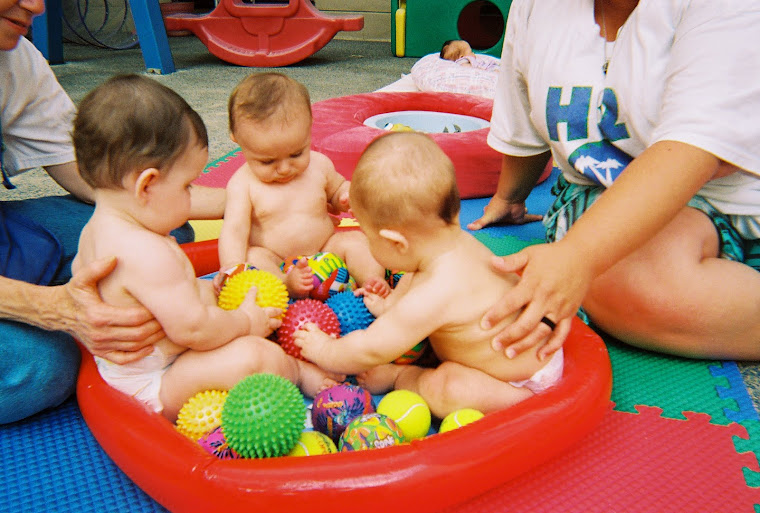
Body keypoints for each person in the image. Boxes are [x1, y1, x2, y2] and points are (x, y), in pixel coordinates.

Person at [468, 0, 760, 361]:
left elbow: (696, 149)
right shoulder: (535, 8)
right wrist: (509, 197)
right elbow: (523, 123)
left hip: (732, 201)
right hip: (602, 195)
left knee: (614, 270)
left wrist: (577, 256)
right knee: (621, 273)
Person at [0, 0, 220, 425]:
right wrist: (51, 307)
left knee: (160, 233)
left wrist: (253, 196)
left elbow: (106, 180)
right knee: (44, 366)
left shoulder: (15, 58)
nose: (37, 6)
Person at [71, 74, 337, 421]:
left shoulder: (97, 230)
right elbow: (193, 331)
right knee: (255, 355)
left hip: (148, 358)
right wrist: (244, 320)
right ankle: (297, 372)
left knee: (216, 294)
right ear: (146, 185)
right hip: (156, 384)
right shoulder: (148, 254)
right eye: (188, 186)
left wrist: (204, 292)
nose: (192, 197)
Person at [293, 132, 563, 419]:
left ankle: (403, 378)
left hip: (517, 382)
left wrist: (325, 349)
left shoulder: (436, 291)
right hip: (524, 352)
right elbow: (414, 275)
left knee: (447, 387)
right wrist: (390, 305)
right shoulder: (448, 245)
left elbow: (372, 349)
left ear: (397, 242)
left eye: (369, 238)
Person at [218, 72, 390, 299]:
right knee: (252, 257)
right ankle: (286, 286)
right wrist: (232, 266)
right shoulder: (242, 184)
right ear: (236, 138)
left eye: (296, 153)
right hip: (276, 260)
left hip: (327, 253)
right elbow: (234, 230)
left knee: (355, 240)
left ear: (309, 129)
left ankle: (372, 284)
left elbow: (338, 190)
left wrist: (346, 197)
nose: (284, 168)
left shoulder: (319, 165)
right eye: (267, 161)